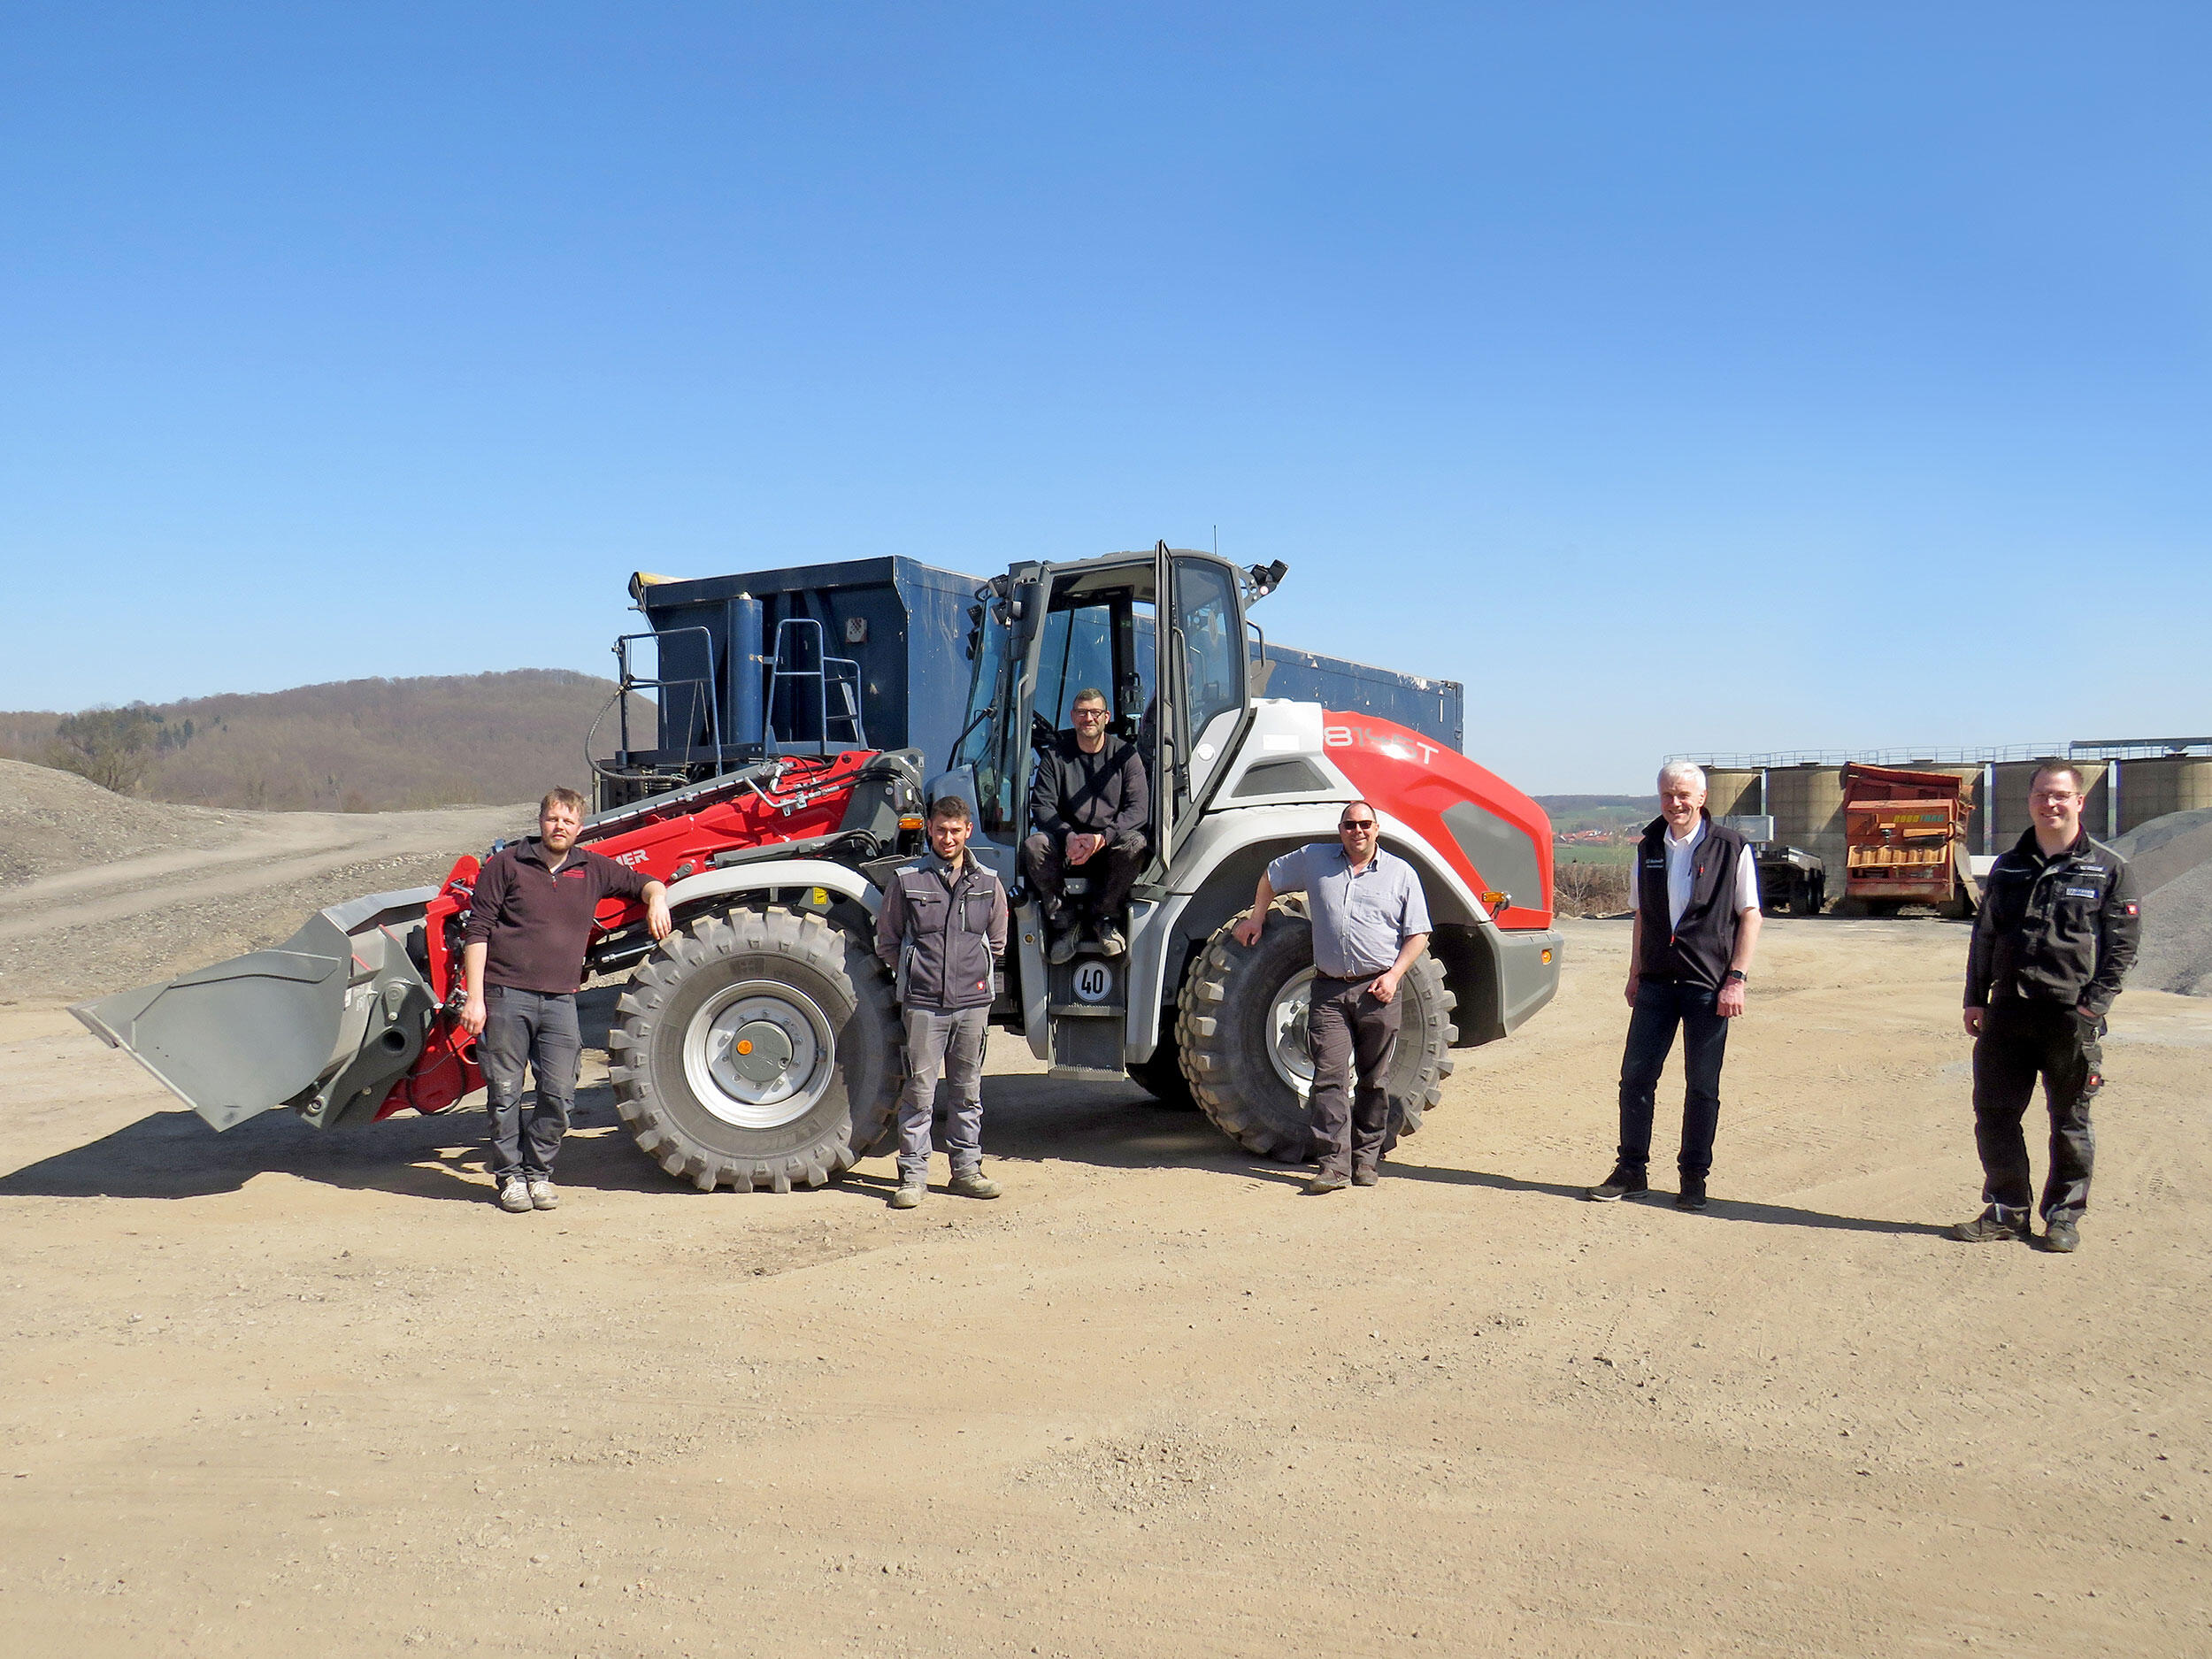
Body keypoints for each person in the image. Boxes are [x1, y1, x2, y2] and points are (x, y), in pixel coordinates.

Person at [1951, 762, 2139, 1253]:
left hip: (2068, 1018)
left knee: (2070, 1119)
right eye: (2041, 795)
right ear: (2030, 800)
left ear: (2079, 801)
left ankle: (2063, 1216)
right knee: (1994, 1114)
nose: (2050, 804)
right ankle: (2007, 1211)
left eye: (2060, 795)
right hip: (2007, 1013)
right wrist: (1975, 996)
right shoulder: (2009, 865)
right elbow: (1985, 934)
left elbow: (2122, 948)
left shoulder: (2108, 868)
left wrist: (2093, 1007)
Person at [462, 787, 672, 1213]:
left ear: (579, 827)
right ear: (541, 821)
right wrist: (476, 999)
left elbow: (642, 883)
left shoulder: (591, 868)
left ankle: (538, 1174)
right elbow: (478, 930)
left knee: (559, 1093)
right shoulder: (507, 864)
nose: (560, 827)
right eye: (553, 819)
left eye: (569, 821)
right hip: (506, 996)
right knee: (504, 1092)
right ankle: (510, 1178)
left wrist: (658, 897)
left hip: (560, 1001)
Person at [1587, 762, 1761, 1211]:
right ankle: (1631, 1170)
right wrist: (1634, 973)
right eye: (1667, 795)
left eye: (1683, 795)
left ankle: (1693, 1177)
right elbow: (1642, 916)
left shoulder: (1731, 847)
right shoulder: (1648, 847)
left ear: (1701, 798)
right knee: (1636, 1079)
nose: (1675, 803)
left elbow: (1750, 915)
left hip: (1708, 985)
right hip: (1657, 983)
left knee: (1702, 1085)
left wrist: (1736, 979)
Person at [1233, 801, 1431, 1194]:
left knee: (1374, 1080)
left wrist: (1394, 976)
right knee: (1329, 1079)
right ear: (1339, 829)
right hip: (1328, 989)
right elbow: (1270, 876)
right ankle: (1333, 1166)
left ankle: (1366, 1161)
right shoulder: (1314, 859)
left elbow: (1419, 934)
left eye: (1364, 824)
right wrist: (1257, 916)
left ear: (1377, 828)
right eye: (1349, 824)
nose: (1357, 831)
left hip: (1379, 989)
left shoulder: (1401, 874)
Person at [875, 794, 1010, 1210]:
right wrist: (916, 973)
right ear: (929, 830)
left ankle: (966, 1172)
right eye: (940, 830)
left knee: (967, 1093)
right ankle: (913, 1178)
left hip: (972, 1004)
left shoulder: (988, 882)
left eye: (955, 831)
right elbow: (888, 940)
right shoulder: (908, 880)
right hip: (924, 1004)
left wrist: (975, 979)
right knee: (919, 1093)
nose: (947, 838)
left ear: (968, 831)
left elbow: (998, 941)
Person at [1023, 687, 1148, 965]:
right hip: (1068, 846)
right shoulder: (1056, 756)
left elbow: (1138, 810)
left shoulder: (1126, 755)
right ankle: (1065, 923)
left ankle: (1104, 917)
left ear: (1106, 717)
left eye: (1094, 713)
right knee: (1034, 845)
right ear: (1073, 716)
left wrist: (1102, 839)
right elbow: (1042, 805)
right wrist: (1068, 836)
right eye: (1082, 712)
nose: (1088, 718)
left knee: (1135, 843)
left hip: (1108, 847)